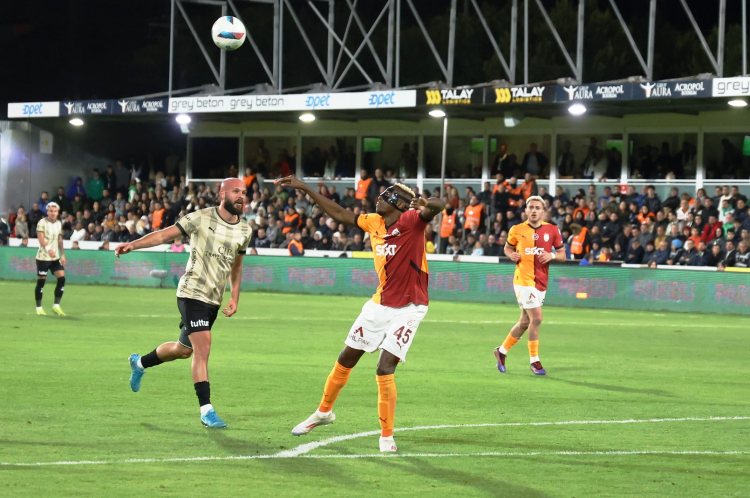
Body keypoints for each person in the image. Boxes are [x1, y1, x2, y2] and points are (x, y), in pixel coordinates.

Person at [277, 175, 445, 453]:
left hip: (410, 307)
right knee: (346, 357)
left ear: (398, 204)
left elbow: (438, 205)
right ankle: (323, 413)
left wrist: (428, 203)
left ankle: (386, 437)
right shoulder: (373, 221)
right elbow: (340, 213)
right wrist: (306, 188)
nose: (378, 198)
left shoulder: (413, 220)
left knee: (384, 367)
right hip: (380, 303)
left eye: (385, 195)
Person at [116, 178, 251, 429]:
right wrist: (133, 245)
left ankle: (139, 363)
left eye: (244, 192)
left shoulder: (245, 230)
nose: (241, 196)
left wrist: (234, 297)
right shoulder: (201, 217)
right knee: (203, 347)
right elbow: (163, 235)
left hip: (213, 300)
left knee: (183, 350)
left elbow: (237, 266)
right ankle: (206, 410)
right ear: (222, 194)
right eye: (236, 191)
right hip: (191, 293)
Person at [494, 196, 565, 376]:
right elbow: (507, 248)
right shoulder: (516, 229)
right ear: (525, 210)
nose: (534, 210)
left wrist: (552, 256)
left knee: (525, 321)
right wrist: (511, 255)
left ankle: (501, 351)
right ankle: (535, 361)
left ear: (543, 211)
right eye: (531, 207)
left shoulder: (552, 230)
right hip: (523, 280)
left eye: (537, 208)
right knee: (537, 318)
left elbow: (563, 255)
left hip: (541, 281)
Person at [33, 202, 67, 316]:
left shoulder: (58, 223)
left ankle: (56, 306)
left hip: (55, 257)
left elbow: (59, 239)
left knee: (61, 279)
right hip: (43, 257)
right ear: (47, 212)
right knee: (41, 282)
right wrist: (48, 249)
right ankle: (39, 308)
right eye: (51, 211)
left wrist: (62, 254)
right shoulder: (42, 223)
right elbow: (41, 239)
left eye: (55, 211)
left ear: (58, 212)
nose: (53, 213)